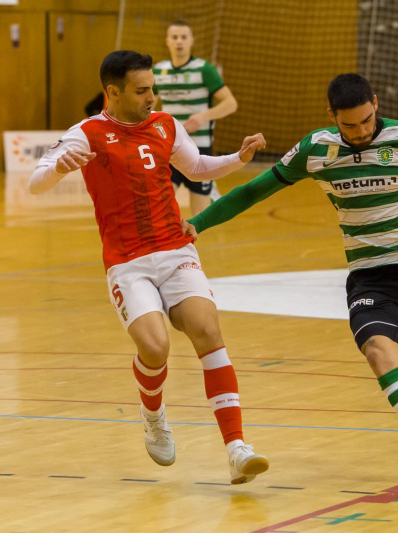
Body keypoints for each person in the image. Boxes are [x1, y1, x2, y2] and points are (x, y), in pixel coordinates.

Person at [187, 73, 398, 491]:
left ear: (376, 104)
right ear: (331, 116)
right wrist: (198, 223)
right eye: (349, 125)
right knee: (378, 351)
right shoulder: (316, 149)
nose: (360, 132)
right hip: (371, 278)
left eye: (366, 121)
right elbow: (253, 191)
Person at [29, 50, 269, 485]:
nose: (151, 97)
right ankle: (153, 414)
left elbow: (197, 168)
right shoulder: (88, 133)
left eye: (152, 88)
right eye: (142, 91)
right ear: (113, 92)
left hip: (175, 250)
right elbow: (35, 183)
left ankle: (237, 449)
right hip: (128, 262)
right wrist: (57, 169)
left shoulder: (165, 125)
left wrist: (238, 157)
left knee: (209, 332)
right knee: (156, 348)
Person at [152, 20, 238, 215]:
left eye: (183, 37)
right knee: (160, 207)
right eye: (175, 37)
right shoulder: (158, 71)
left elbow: (230, 103)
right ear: (167, 41)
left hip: (199, 149)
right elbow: (147, 105)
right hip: (169, 148)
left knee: (200, 213)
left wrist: (202, 117)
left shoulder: (204, 69)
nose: (179, 41)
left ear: (191, 41)